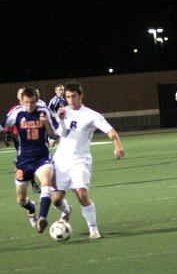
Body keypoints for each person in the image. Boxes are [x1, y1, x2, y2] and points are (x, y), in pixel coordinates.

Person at [51, 82, 125, 239]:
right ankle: (67, 210)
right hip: (61, 161)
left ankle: (93, 229)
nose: (71, 100)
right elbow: (61, 134)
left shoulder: (92, 115)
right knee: (56, 200)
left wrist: (117, 145)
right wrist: (61, 119)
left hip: (80, 161)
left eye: (74, 96)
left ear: (81, 96)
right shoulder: (63, 112)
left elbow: (111, 131)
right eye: (68, 97)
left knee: (82, 194)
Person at [0, 87, 63, 234]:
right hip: (23, 161)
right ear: (22, 100)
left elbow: (55, 136)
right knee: (21, 199)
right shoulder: (17, 112)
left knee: (46, 184)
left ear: (37, 100)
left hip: (42, 157)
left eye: (33, 102)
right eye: (27, 102)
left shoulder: (44, 111)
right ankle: (32, 208)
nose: (30, 106)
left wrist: (46, 123)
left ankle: (43, 218)